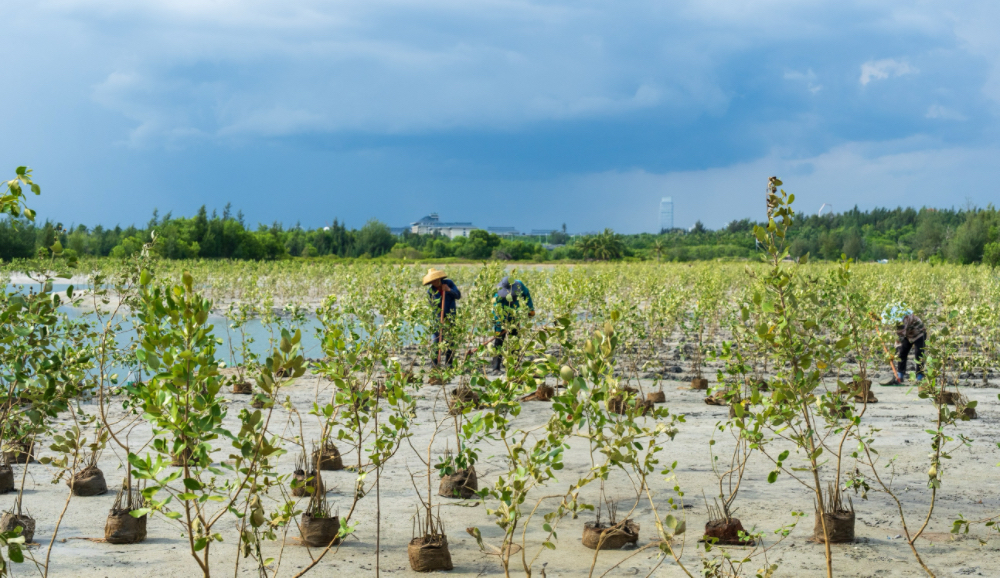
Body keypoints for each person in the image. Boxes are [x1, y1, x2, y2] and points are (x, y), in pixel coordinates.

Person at [491, 276, 535, 372]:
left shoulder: (520, 285)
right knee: (498, 342)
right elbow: (495, 312)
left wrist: (530, 309)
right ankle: (496, 367)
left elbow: (527, 295)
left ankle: (514, 366)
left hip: (515, 316)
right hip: (501, 317)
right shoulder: (497, 294)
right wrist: (499, 328)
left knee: (515, 341)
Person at [423, 268, 461, 367]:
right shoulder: (430, 291)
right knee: (436, 341)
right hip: (438, 319)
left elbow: (458, 295)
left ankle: (449, 364)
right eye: (432, 281)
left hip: (451, 316)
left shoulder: (449, 283)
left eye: (435, 280)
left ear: (439, 278)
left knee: (450, 341)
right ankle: (434, 364)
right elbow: (434, 306)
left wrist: (448, 290)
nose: (434, 282)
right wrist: (440, 319)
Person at [881, 305, 925, 385]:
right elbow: (899, 337)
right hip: (908, 335)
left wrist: (893, 351)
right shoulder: (898, 321)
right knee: (902, 353)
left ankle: (920, 375)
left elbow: (900, 337)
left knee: (919, 354)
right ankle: (900, 374)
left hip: (919, 333)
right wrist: (896, 351)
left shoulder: (904, 319)